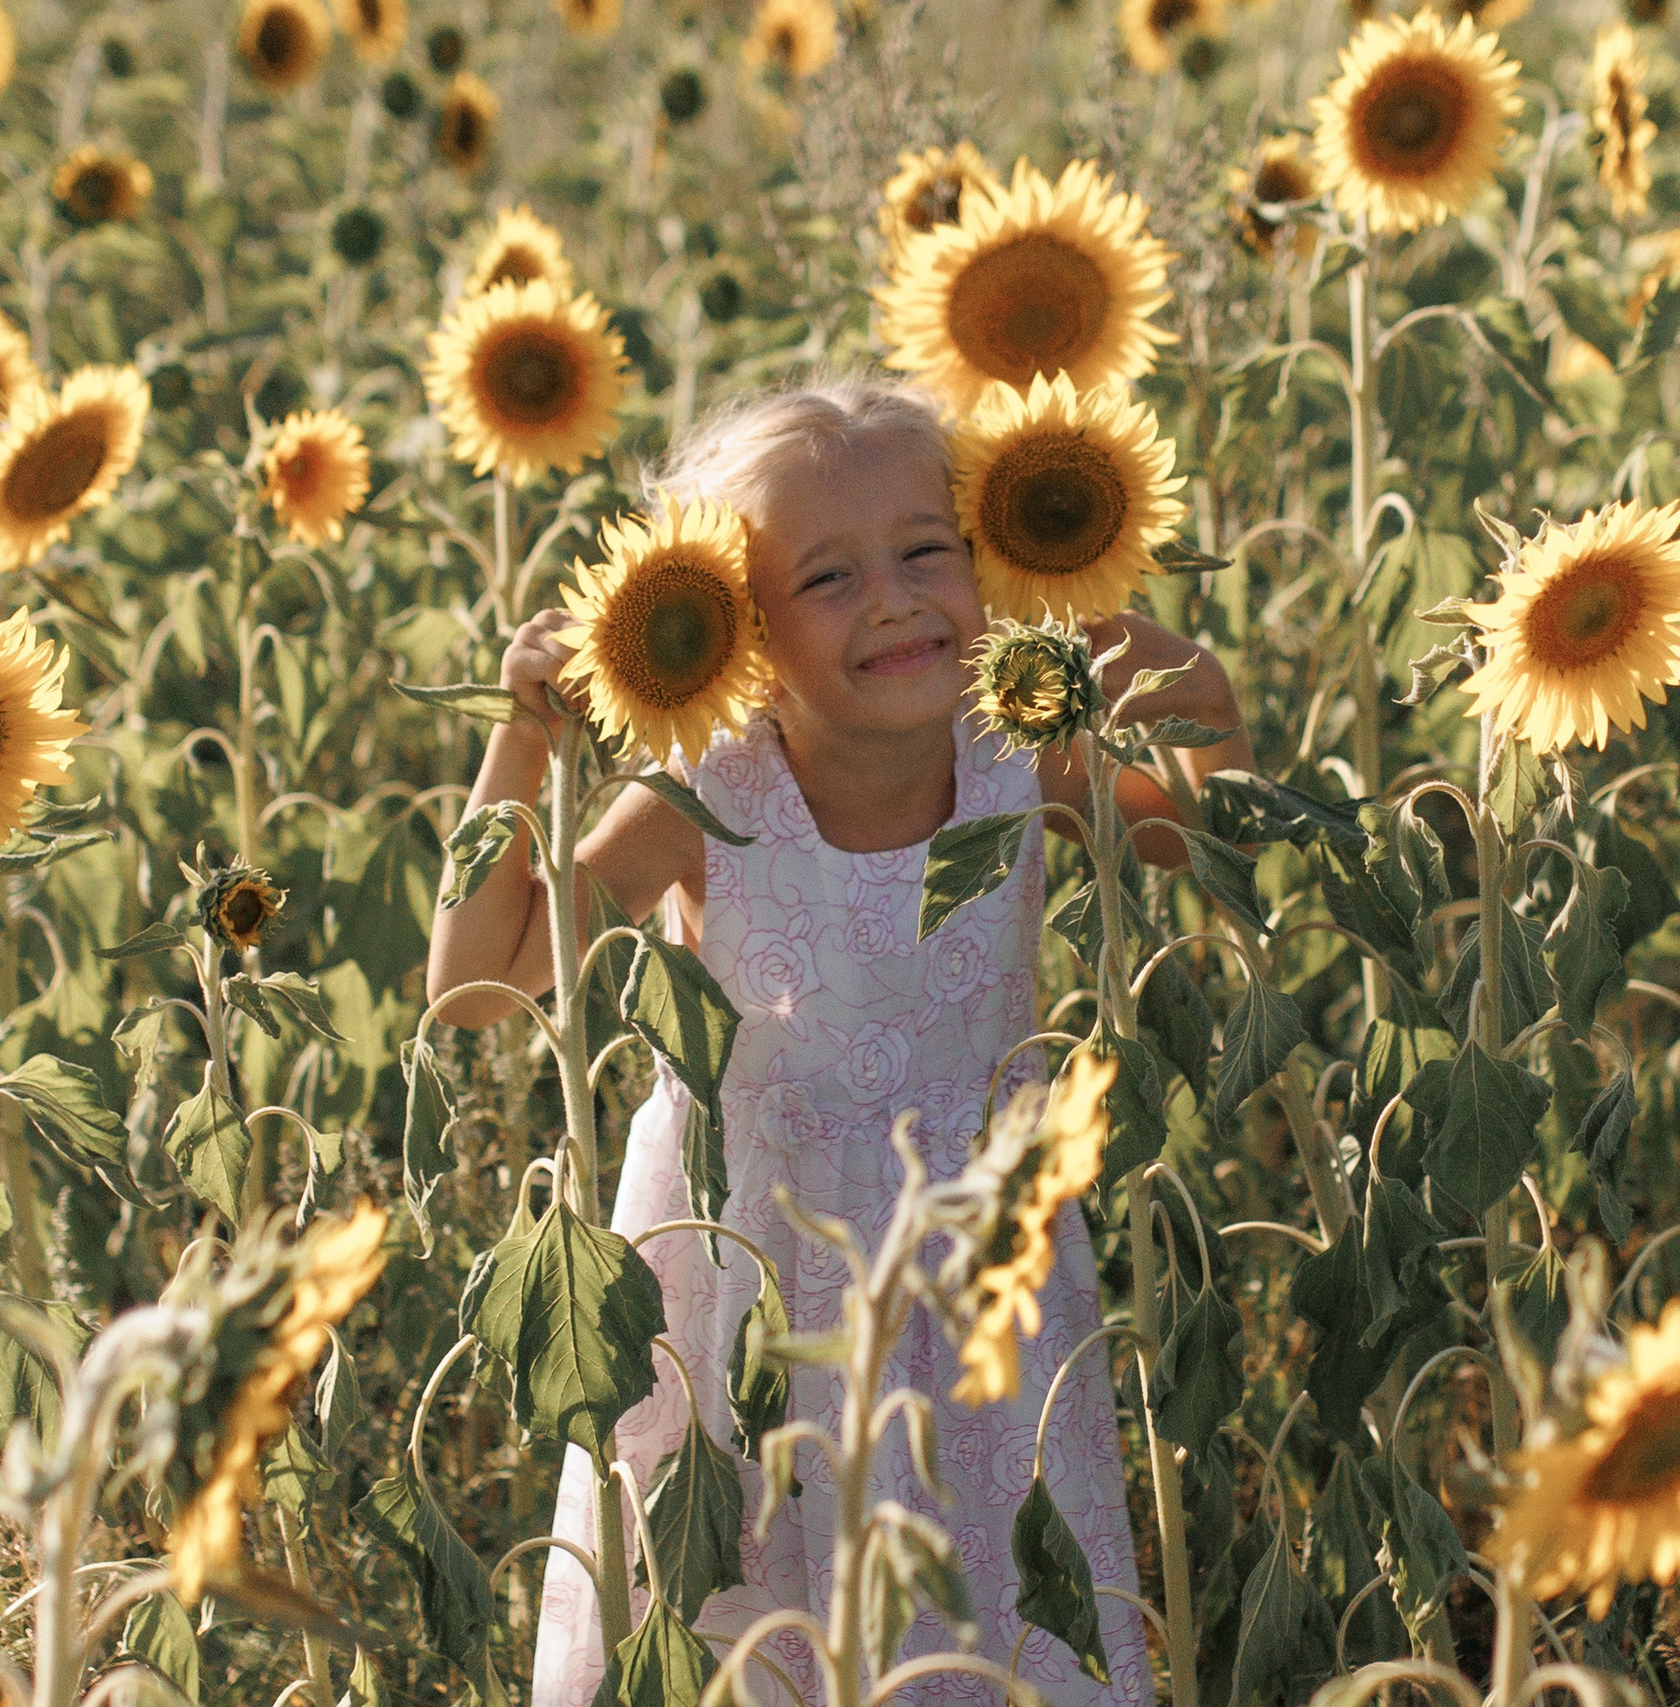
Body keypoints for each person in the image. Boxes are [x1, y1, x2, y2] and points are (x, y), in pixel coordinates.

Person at [426, 375, 1254, 1707]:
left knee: (987, 1598)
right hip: (750, 1275)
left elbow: (1202, 811)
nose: (894, 600)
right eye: (827, 577)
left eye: (930, 551)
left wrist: (1069, 584)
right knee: (741, 1605)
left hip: (975, 1272)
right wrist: (524, 744)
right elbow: (479, 989)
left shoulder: (1018, 755)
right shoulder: (708, 794)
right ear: (741, 630)